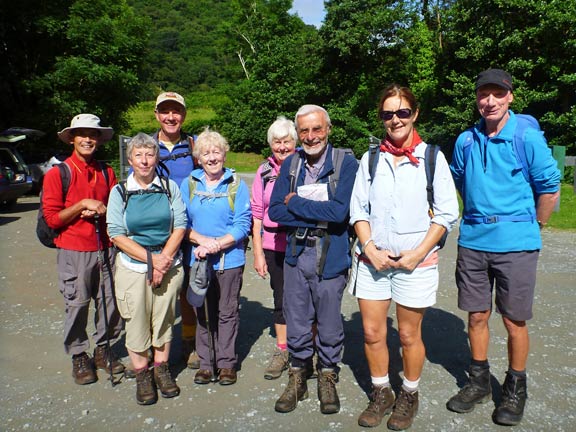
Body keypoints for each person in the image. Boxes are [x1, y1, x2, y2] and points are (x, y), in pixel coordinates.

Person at [447, 69, 561, 426]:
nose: (490, 101)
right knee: (477, 315)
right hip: (474, 241)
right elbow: (461, 183)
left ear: (511, 96)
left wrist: (535, 226)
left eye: (498, 94)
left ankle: (515, 387)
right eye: (484, 94)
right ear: (477, 99)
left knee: (514, 320)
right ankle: (479, 382)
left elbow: (550, 187)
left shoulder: (526, 136)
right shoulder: (465, 140)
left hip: (517, 245)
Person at [349, 85, 459, 430]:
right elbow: (358, 210)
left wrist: (417, 254)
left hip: (416, 263)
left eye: (402, 112)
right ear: (381, 118)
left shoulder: (432, 158)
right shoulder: (371, 159)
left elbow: (446, 214)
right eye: (387, 114)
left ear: (415, 114)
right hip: (373, 263)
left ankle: (409, 393)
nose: (395, 120)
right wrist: (369, 248)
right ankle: (381, 391)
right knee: (370, 332)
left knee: (409, 336)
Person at [268, 104, 358, 415]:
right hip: (296, 254)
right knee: (296, 320)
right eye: (304, 130)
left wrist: (297, 203)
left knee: (330, 322)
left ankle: (327, 374)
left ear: (328, 129)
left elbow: (340, 213)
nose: (310, 136)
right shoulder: (291, 164)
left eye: (316, 128)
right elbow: (275, 211)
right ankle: (298, 374)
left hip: (331, 255)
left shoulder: (346, 163)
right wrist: (313, 212)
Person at [41, 114, 124, 385]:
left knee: (110, 303)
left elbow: (115, 208)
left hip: (106, 247)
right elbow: (52, 219)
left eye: (93, 134)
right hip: (73, 250)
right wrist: (81, 206)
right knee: (77, 304)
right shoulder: (58, 173)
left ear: (99, 140)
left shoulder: (106, 171)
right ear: (72, 139)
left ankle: (103, 349)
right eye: (82, 134)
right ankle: (78, 354)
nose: (88, 138)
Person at [107, 132, 187, 405]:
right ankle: (142, 374)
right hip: (133, 268)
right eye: (138, 155)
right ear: (129, 159)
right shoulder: (119, 192)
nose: (144, 160)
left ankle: (161, 369)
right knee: (137, 321)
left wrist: (163, 260)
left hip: (169, 265)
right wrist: (152, 261)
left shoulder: (168, 187)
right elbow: (117, 234)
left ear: (157, 158)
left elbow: (180, 225)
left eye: (150, 154)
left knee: (164, 319)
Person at [180, 127, 251, 386]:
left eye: (216, 152)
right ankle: (206, 363)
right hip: (197, 259)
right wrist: (202, 242)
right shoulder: (188, 183)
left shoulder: (236, 184)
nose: (212, 157)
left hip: (229, 261)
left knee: (226, 312)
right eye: (206, 152)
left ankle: (226, 364)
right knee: (201, 312)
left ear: (224, 154)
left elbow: (243, 224)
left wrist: (217, 245)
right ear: (198, 157)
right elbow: (181, 223)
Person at [153, 91, 200, 370]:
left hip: (191, 229)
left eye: (176, 111)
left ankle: (190, 342)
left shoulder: (193, 144)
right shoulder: (146, 145)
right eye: (165, 111)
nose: (171, 117)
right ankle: (156, 344)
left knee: (188, 291)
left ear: (183, 115)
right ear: (156, 114)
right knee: (158, 288)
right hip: (159, 231)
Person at [251, 116, 297, 380]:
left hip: (301, 241)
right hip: (272, 243)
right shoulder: (263, 171)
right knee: (280, 298)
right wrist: (257, 252)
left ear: (295, 142)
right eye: (277, 142)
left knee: (305, 298)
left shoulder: (305, 165)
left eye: (286, 141)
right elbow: (257, 213)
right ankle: (282, 350)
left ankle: (306, 350)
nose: (281, 147)